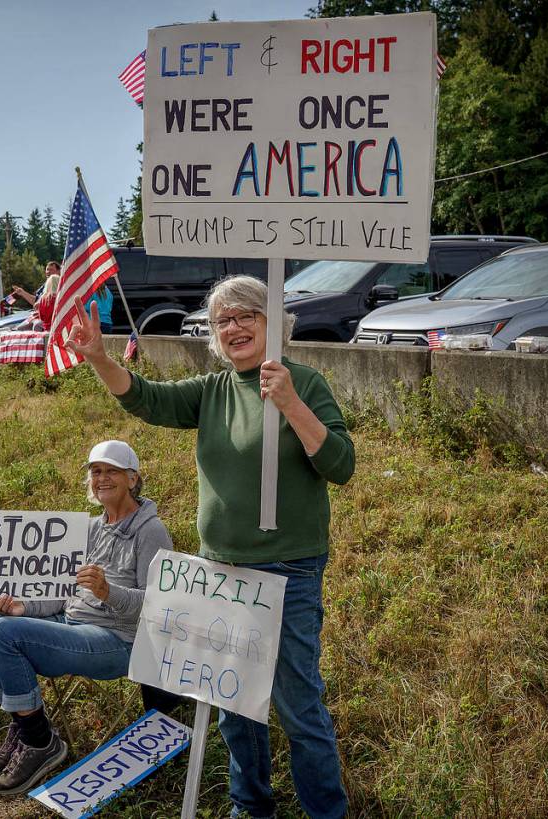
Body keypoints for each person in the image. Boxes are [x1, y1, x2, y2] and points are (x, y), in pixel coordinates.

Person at [68, 276, 354, 819]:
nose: (235, 327)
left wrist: (290, 401)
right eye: (224, 320)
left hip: (288, 571)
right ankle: (251, 806)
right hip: (221, 571)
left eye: (247, 315)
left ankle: (326, 811)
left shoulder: (306, 383)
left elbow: (340, 465)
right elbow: (148, 400)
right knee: (234, 704)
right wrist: (99, 359)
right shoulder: (214, 390)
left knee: (297, 706)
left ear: (275, 325)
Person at [0, 440, 173, 795]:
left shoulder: (150, 531)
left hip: (117, 641)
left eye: (112, 471)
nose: (102, 478)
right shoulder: (90, 528)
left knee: (2, 634)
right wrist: (24, 607)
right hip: (70, 624)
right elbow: (62, 590)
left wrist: (110, 592)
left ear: (133, 478)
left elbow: (161, 605)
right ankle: (23, 723)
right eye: (96, 472)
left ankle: (39, 742)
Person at [12, 262, 61, 331]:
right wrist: (23, 293)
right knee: (17, 330)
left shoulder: (62, 286)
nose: (48, 272)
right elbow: (35, 302)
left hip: (46, 321)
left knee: (36, 326)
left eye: (51, 270)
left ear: (59, 271)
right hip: (36, 317)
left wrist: (40, 305)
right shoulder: (44, 287)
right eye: (47, 269)